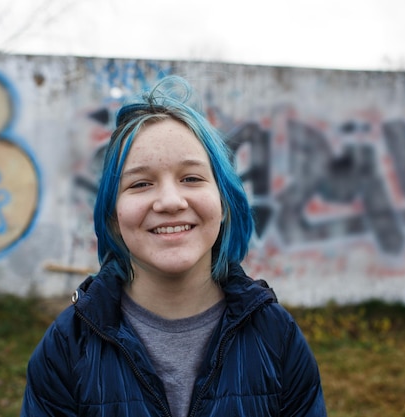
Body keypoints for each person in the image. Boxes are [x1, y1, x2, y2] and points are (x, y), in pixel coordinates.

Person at [21, 75, 326, 416]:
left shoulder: (277, 337)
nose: (169, 201)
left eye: (191, 178)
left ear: (224, 203)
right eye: (140, 183)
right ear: (112, 217)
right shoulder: (66, 348)